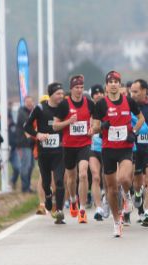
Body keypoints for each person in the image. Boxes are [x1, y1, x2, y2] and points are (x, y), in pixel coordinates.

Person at [92, 70, 145, 237]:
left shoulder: (128, 101)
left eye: (117, 82)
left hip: (125, 147)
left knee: (123, 178)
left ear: (120, 85)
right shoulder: (101, 104)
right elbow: (94, 127)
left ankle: (127, 195)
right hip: (108, 149)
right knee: (112, 189)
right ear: (106, 86)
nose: (114, 84)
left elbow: (141, 119)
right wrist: (102, 126)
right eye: (110, 82)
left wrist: (134, 132)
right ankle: (116, 221)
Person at [53, 75, 94, 224]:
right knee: (71, 178)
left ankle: (82, 210)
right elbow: (55, 126)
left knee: (83, 174)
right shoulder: (64, 105)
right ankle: (72, 200)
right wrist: (68, 122)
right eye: (76, 87)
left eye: (82, 87)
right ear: (71, 89)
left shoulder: (89, 103)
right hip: (69, 146)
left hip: (84, 144)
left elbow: (95, 121)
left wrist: (93, 129)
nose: (79, 90)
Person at [24, 83, 66, 224]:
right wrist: (38, 134)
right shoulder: (40, 108)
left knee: (60, 181)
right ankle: (48, 196)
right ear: (51, 94)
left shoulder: (64, 108)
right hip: (44, 153)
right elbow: (26, 126)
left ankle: (59, 211)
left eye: (62, 93)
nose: (61, 96)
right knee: (46, 182)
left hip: (59, 152)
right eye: (58, 93)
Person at [129, 79, 148, 226]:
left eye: (135, 91)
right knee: (137, 183)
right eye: (131, 91)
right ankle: (137, 195)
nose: (132, 94)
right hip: (135, 150)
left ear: (144, 91)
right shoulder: (129, 106)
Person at [88, 84, 108, 221]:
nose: (98, 95)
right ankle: (99, 207)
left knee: (107, 178)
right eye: (95, 93)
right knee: (95, 176)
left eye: (101, 92)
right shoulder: (88, 109)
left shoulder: (108, 108)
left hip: (107, 147)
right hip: (92, 148)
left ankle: (107, 199)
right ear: (92, 96)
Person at [16, 96, 35, 193]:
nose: (30, 104)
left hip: (31, 143)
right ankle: (25, 187)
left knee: (32, 165)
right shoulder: (22, 113)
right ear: (25, 103)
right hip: (24, 143)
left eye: (31, 102)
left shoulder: (31, 112)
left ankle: (28, 185)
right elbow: (28, 124)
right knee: (25, 165)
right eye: (28, 102)